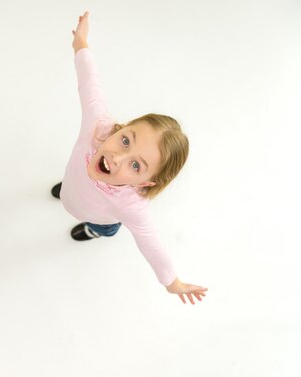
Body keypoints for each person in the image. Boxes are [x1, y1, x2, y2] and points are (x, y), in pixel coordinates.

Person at [54, 12, 207, 304]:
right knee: (71, 185)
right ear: (121, 129)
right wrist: (81, 44)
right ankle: (64, 190)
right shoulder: (98, 127)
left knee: (101, 227)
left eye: (136, 165)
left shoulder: (131, 205)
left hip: (98, 217)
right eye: (125, 140)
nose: (117, 156)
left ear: (146, 182)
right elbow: (89, 83)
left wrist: (171, 282)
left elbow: (152, 245)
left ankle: (93, 231)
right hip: (72, 188)